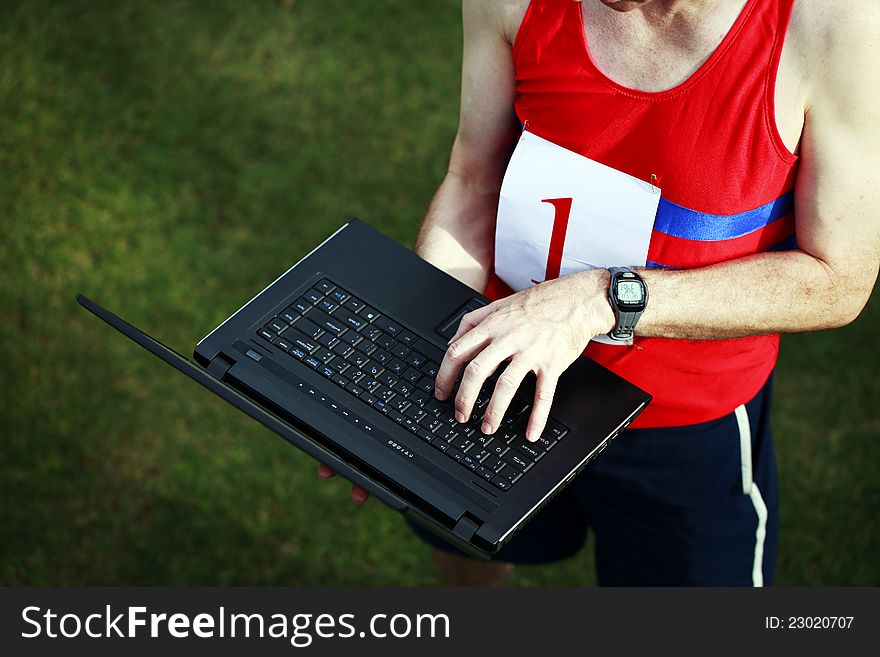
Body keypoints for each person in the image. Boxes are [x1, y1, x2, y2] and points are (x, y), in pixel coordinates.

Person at [318, 0, 880, 585]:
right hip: (498, 367)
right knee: (466, 556)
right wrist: (408, 376)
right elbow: (474, 179)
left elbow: (837, 277)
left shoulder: (833, 23)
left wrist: (601, 299)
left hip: (682, 423)